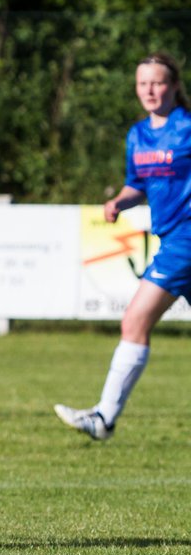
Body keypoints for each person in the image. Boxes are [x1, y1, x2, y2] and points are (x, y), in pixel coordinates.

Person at [55, 52, 191, 441]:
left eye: (158, 82)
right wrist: (120, 201)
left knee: (134, 321)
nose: (149, 90)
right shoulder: (138, 134)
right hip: (171, 236)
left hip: (186, 238)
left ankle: (103, 418)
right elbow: (140, 184)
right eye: (142, 83)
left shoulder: (186, 128)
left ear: (174, 86)